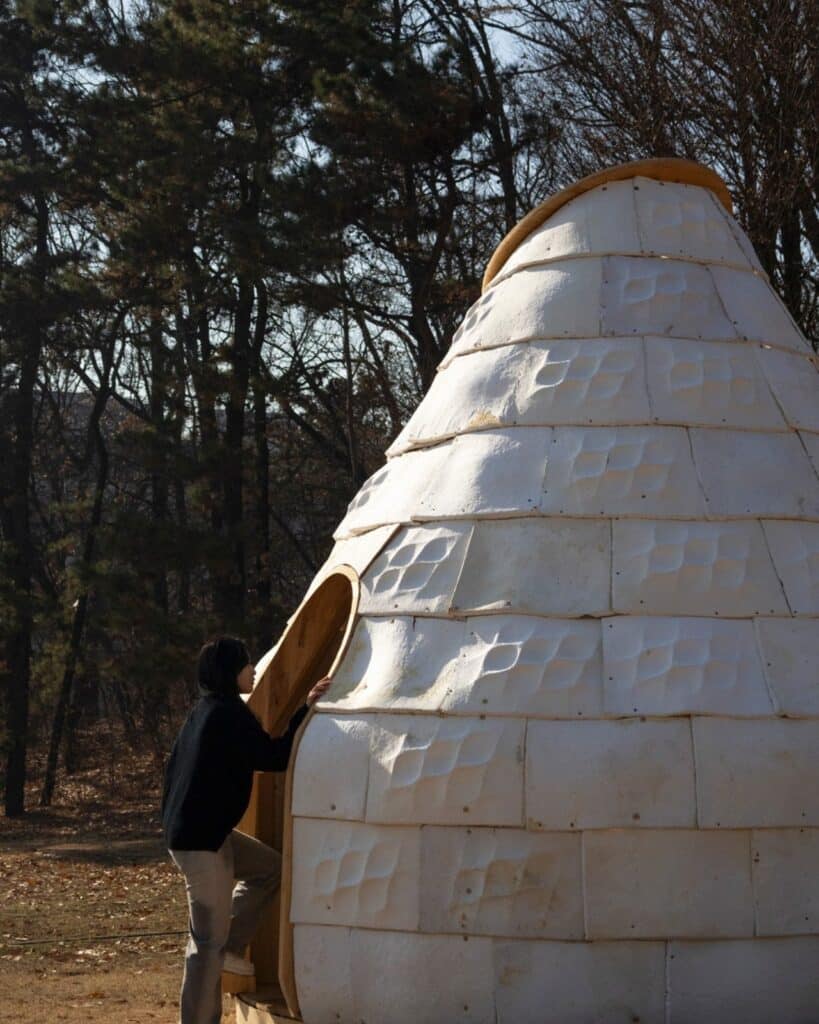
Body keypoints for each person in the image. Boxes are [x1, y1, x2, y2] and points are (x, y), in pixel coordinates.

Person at [160, 635, 331, 1024]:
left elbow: (170, 774)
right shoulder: (227, 714)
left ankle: (232, 949)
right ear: (230, 671)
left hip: (200, 833)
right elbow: (275, 756)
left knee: (270, 869)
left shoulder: (205, 711)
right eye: (246, 664)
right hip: (202, 843)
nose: (253, 669)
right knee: (205, 948)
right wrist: (306, 709)